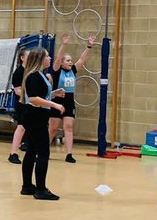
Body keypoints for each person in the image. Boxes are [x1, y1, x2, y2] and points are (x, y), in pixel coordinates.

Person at [19, 48, 64, 200]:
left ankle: (27, 186)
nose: (50, 58)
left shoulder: (39, 75)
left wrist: (53, 94)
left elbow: (39, 95)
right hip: (35, 118)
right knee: (43, 153)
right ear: (40, 59)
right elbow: (33, 99)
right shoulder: (33, 76)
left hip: (37, 118)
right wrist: (54, 104)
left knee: (31, 151)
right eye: (47, 56)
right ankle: (40, 189)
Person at [47, 33, 96, 164]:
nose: (70, 62)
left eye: (71, 60)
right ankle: (44, 150)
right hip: (57, 101)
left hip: (69, 102)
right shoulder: (57, 70)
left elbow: (82, 59)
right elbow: (58, 58)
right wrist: (64, 44)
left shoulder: (73, 70)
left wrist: (89, 46)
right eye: (68, 60)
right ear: (62, 63)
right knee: (53, 129)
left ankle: (69, 154)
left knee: (68, 127)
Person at [7, 48, 27, 165]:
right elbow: (17, 90)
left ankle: (28, 149)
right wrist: (30, 96)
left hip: (30, 103)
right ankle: (13, 153)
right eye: (28, 56)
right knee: (21, 127)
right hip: (21, 103)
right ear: (22, 58)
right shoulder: (19, 72)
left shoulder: (31, 71)